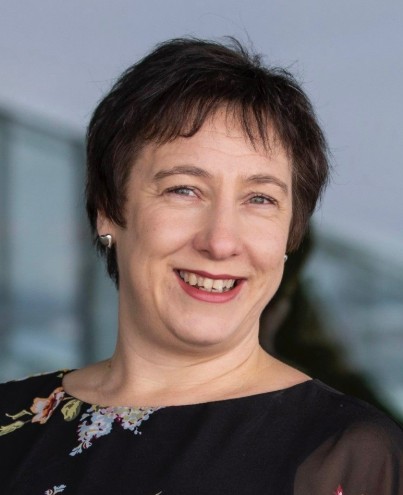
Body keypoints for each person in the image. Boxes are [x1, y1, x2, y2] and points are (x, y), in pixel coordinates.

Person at [0, 37, 402, 495]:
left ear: (290, 233)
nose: (220, 241)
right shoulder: (10, 424)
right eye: (184, 190)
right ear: (109, 209)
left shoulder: (348, 456)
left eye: (260, 199)